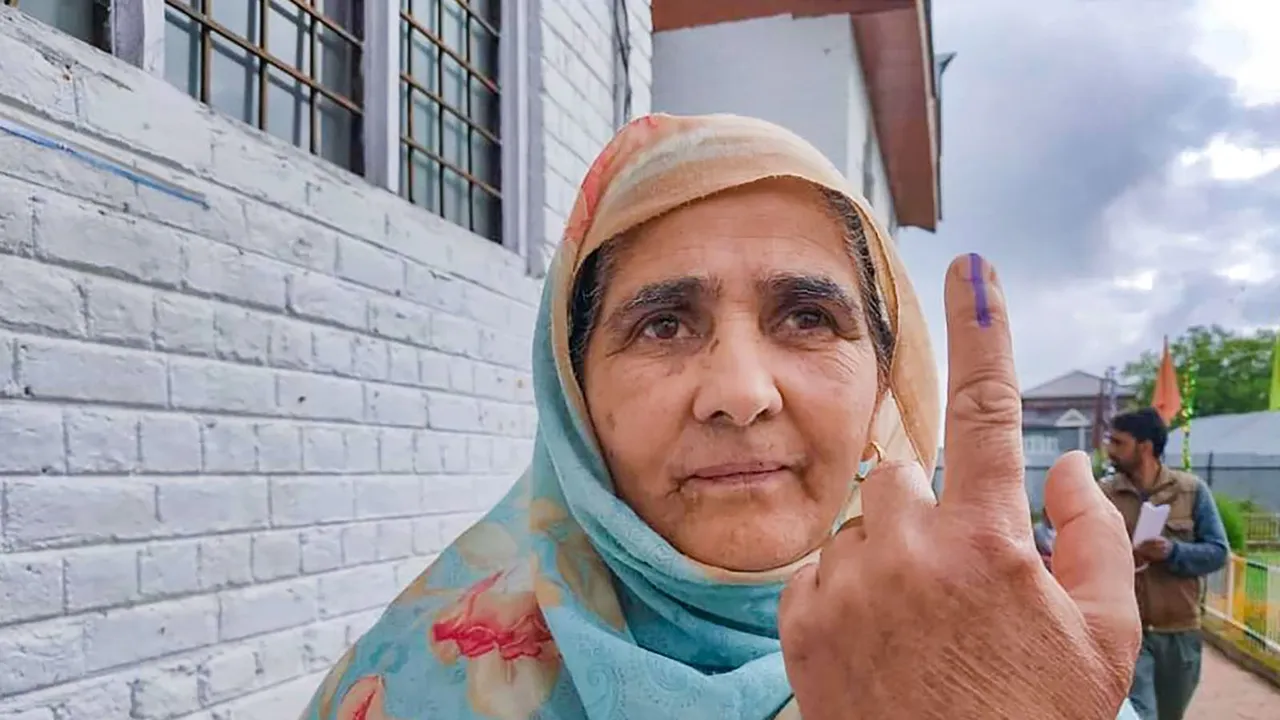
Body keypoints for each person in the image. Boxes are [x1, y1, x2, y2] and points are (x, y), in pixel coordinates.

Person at [301, 113, 1143, 719]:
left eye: (808, 318)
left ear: (884, 382)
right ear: (573, 392)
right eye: (662, 324)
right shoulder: (417, 684)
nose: (741, 392)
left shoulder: (1033, 669)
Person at [1102, 408, 1230, 720]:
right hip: (1127, 634)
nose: (1110, 450)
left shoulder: (1191, 491)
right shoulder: (1103, 494)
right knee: (1141, 714)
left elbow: (1217, 552)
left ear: (1144, 447)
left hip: (1179, 633)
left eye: (1119, 442)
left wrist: (1172, 552)